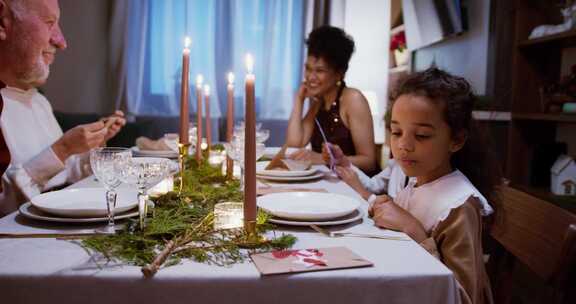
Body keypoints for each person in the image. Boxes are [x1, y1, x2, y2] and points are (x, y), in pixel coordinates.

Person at [335, 68, 500, 304]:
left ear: (456, 140)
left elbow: (465, 297)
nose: (403, 145)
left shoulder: (458, 206)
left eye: (421, 135)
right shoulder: (416, 181)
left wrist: (415, 232)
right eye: (396, 131)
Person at [0, 0, 126, 216]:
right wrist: (62, 149)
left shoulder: (40, 102)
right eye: (50, 22)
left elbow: (65, 177)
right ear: (3, 23)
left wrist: (90, 144)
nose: (62, 42)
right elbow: (4, 207)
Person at [285, 25, 377, 174]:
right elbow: (295, 144)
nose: (310, 77)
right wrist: (299, 99)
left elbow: (369, 162)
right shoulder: (319, 103)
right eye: (308, 68)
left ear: (339, 73)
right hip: (331, 184)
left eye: (320, 71)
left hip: (357, 189)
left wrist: (322, 159)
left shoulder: (353, 99)